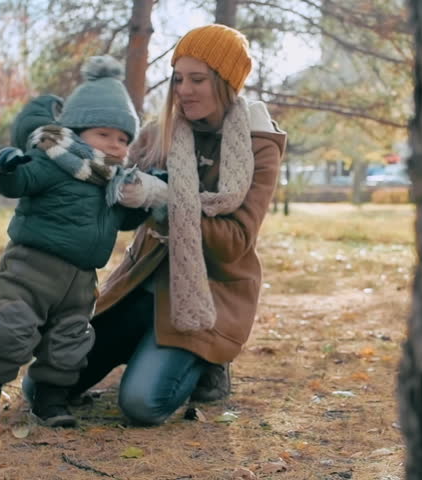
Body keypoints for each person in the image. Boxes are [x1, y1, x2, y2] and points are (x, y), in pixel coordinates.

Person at [23, 24, 287, 426]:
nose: (184, 90)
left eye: (198, 79)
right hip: (140, 287)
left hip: (208, 296)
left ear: (226, 81)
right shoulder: (157, 133)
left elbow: (234, 243)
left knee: (143, 405)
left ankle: (206, 361)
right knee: (40, 386)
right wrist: (59, 150)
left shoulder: (258, 147)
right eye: (178, 78)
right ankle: (144, 345)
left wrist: (165, 200)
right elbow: (107, 185)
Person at [0, 55, 158, 428]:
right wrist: (1, 165)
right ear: (77, 131)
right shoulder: (51, 162)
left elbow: (124, 220)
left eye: (123, 139)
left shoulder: (113, 183)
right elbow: (16, 182)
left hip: (81, 281)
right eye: (105, 135)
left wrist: (148, 204)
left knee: (69, 342)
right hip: (30, 268)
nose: (116, 146)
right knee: (10, 327)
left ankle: (51, 401)